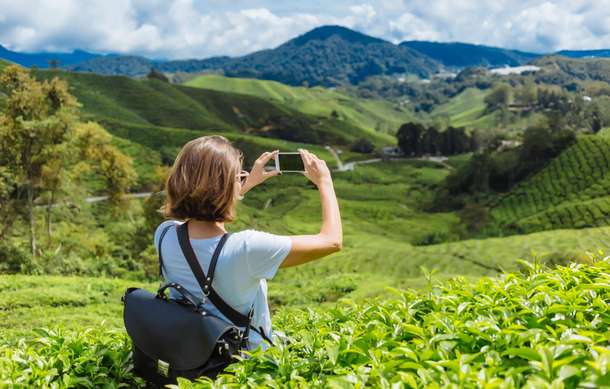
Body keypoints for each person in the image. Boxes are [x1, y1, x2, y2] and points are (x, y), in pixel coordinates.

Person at [154, 135, 342, 350]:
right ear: (223, 188)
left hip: (192, 350)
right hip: (242, 361)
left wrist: (244, 184)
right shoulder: (247, 248)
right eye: (238, 177)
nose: (242, 179)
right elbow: (332, 241)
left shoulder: (165, 234)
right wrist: (325, 182)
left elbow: (201, 213)